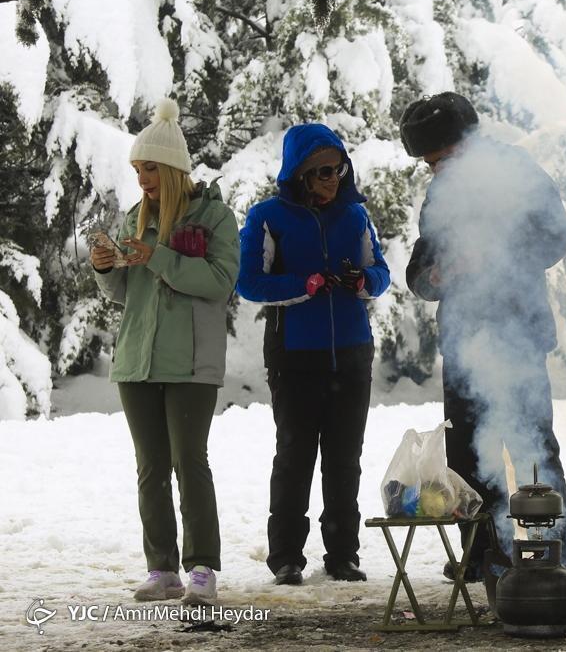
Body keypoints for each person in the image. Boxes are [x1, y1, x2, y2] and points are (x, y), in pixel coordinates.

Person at [400, 92, 566, 578]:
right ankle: (481, 552)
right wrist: (433, 275)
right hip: (464, 340)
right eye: (429, 164)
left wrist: (496, 254)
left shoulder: (518, 173)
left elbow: (554, 238)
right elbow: (422, 262)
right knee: (465, 452)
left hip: (516, 332)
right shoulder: (442, 193)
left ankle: (558, 549)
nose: (435, 171)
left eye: (439, 160)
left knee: (532, 445)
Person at [91, 98, 239, 605]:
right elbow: (124, 294)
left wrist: (159, 256)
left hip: (192, 362)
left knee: (188, 462)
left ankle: (202, 568)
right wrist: (106, 266)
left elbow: (219, 282)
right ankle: (162, 569)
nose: (142, 179)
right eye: (136, 169)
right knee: (150, 468)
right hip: (137, 359)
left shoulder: (216, 217)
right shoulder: (137, 217)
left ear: (174, 168)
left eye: (150, 168)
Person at [236, 123, 390, 586]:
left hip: (352, 352)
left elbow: (380, 272)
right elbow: (248, 282)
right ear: (298, 174)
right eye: (321, 171)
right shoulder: (268, 216)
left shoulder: (356, 216)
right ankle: (286, 557)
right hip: (294, 355)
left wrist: (363, 283)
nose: (331, 179)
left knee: (345, 458)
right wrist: (301, 286)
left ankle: (343, 554)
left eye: (337, 169)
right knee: (295, 455)